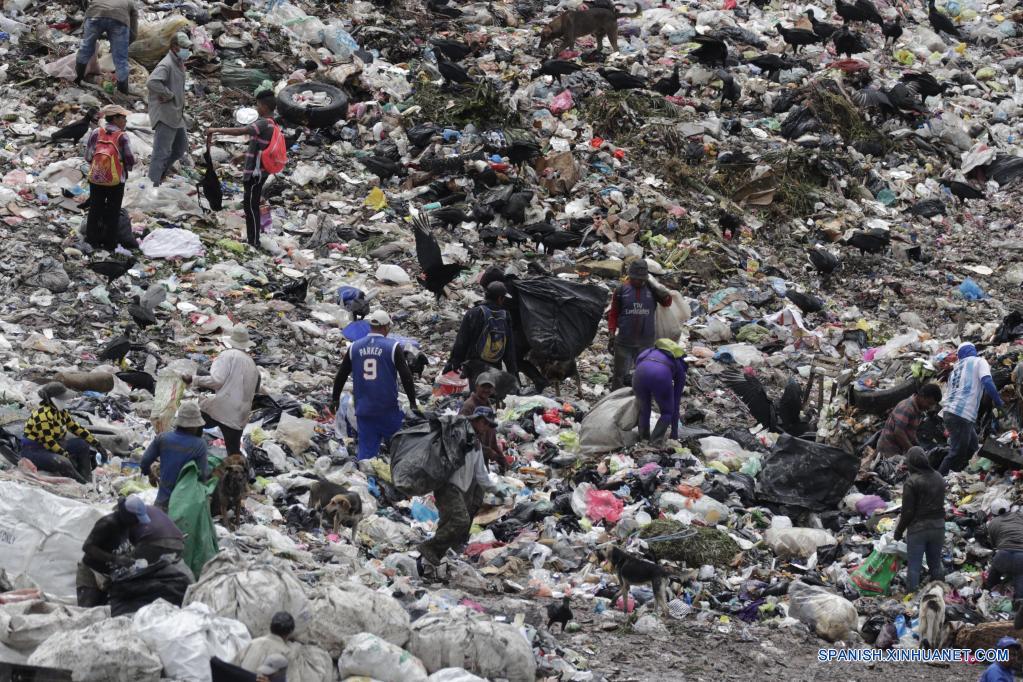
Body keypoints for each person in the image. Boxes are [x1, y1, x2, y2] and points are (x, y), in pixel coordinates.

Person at [331, 310, 420, 460]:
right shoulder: (393, 347)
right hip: (387, 410)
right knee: (399, 452)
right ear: (386, 327)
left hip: (364, 410)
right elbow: (406, 376)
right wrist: (412, 403)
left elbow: (341, 375)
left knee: (366, 456)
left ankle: (365, 473)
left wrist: (335, 399)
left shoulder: (354, 347)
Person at [206, 90, 280, 247]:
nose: (256, 108)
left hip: (255, 173)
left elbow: (241, 131)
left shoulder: (263, 123)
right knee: (250, 205)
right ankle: (253, 239)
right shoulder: (272, 123)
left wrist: (216, 130)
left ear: (264, 107)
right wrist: (243, 156)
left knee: (251, 206)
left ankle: (254, 242)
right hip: (259, 171)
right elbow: (261, 148)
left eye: (258, 105)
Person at [418, 425, 494, 566]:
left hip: (462, 486)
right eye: (483, 424)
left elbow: (481, 472)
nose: (484, 429)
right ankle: (430, 547)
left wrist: (496, 490)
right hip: (447, 485)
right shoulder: (457, 437)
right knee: (461, 519)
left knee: (451, 518)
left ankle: (434, 557)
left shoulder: (476, 445)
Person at [186, 325, 260, 455]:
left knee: (194, 423)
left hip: (223, 408)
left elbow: (217, 381)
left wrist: (194, 379)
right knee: (234, 451)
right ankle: (238, 467)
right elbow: (256, 390)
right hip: (240, 415)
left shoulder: (227, 355)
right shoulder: (252, 364)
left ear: (232, 341)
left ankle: (193, 454)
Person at [21, 382, 107, 483]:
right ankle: (82, 483)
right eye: (63, 399)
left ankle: (86, 477)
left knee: (82, 444)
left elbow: (76, 428)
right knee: (62, 461)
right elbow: (48, 442)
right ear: (53, 400)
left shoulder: (62, 413)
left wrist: (97, 443)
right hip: (35, 450)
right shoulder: (42, 415)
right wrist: (65, 455)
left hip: (54, 446)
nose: (66, 401)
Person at [939, 343, 1005, 474]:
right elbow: (987, 381)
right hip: (962, 414)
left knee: (974, 448)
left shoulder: (955, 370)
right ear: (972, 350)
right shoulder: (979, 361)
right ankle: (937, 479)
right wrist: (998, 402)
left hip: (949, 412)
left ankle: (972, 473)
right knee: (957, 452)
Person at [607, 259, 673, 390]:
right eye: (635, 278)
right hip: (624, 342)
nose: (638, 281)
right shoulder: (621, 290)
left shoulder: (652, 290)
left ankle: (640, 398)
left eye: (641, 279)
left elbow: (667, 302)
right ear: (630, 276)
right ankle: (616, 398)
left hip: (646, 343)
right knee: (620, 376)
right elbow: (613, 314)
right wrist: (611, 334)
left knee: (643, 375)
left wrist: (660, 290)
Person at [77, 495, 150, 606]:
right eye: (135, 519)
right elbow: (88, 547)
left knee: (104, 610)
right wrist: (115, 559)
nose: (137, 522)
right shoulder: (107, 524)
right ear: (127, 515)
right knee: (88, 609)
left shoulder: (127, 525)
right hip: (92, 574)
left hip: (108, 576)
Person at [445, 281, 518, 391]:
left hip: (474, 365)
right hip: (495, 365)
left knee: (477, 394)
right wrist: (512, 370)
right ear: (499, 298)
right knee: (490, 395)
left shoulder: (474, 313)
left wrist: (454, 362)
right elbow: (509, 346)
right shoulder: (505, 316)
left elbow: (462, 341)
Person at [892, 447, 946, 591]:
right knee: (935, 564)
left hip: (918, 529)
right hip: (939, 526)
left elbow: (907, 512)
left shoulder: (912, 482)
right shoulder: (938, 477)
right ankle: (941, 592)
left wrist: (898, 531)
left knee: (914, 567)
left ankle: (912, 599)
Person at [83, 104, 135, 251]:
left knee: (95, 208)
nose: (125, 121)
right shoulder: (122, 136)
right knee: (113, 211)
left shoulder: (96, 132)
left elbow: (88, 156)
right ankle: (109, 245)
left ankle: (92, 241)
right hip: (116, 180)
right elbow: (130, 159)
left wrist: (100, 166)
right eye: (123, 118)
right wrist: (124, 168)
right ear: (115, 118)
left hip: (96, 178)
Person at [140, 401, 209, 510]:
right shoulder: (200, 445)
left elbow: (144, 462)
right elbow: (203, 475)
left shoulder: (163, 438)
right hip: (184, 507)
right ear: (196, 425)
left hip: (162, 504)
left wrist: (150, 474)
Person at [147, 32, 191, 186]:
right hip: (166, 115)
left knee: (180, 148)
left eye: (187, 47)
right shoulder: (167, 64)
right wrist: (168, 94)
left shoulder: (179, 62)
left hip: (176, 115)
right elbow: (152, 82)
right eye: (183, 47)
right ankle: (151, 186)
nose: (186, 50)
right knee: (161, 153)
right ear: (174, 47)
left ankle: (159, 175)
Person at [74, 0, 138, 93]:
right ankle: (122, 92)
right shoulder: (130, 2)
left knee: (85, 48)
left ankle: (77, 80)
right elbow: (134, 27)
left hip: (95, 15)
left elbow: (89, 8)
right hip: (119, 19)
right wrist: (126, 43)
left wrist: (84, 29)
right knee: (120, 59)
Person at [632, 339, 688, 443]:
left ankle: (643, 439)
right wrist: (674, 434)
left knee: (644, 409)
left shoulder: (651, 350)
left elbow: (638, 360)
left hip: (639, 372)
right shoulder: (679, 364)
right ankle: (654, 441)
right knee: (667, 412)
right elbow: (675, 404)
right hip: (661, 375)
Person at [876, 383, 942, 457]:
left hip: (898, 448)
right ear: (922, 396)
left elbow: (911, 432)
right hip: (888, 449)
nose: (929, 407)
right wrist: (913, 451)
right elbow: (898, 432)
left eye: (931, 405)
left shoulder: (917, 409)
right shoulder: (907, 407)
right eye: (929, 403)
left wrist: (919, 447)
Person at [984, 498, 1023, 609]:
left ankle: (986, 595)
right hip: (1021, 557)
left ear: (993, 513)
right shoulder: (1020, 516)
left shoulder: (992, 523)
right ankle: (1018, 605)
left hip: (1003, 555)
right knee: (1020, 577)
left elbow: (994, 544)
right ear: (1008, 508)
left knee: (994, 574)